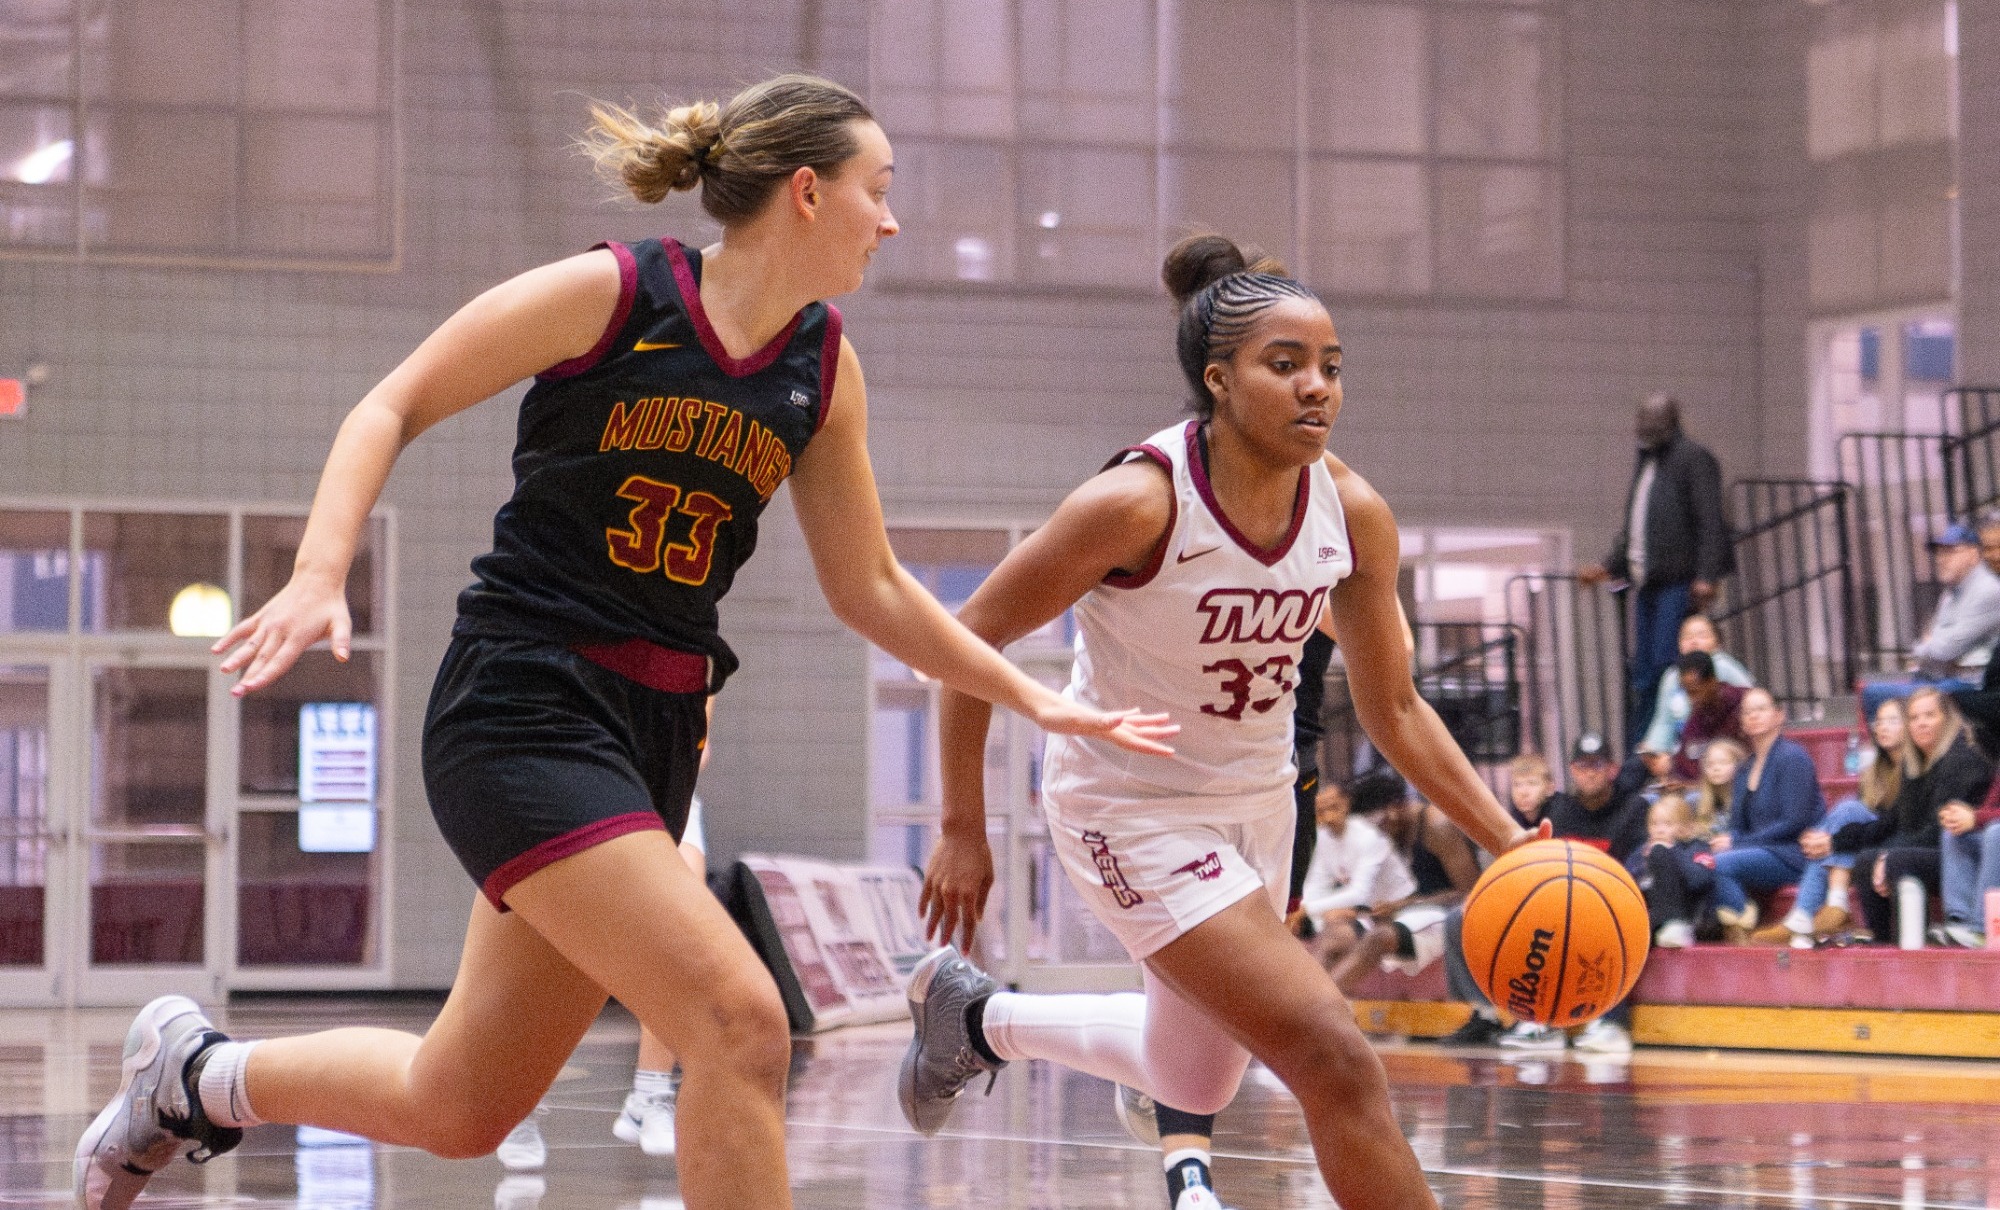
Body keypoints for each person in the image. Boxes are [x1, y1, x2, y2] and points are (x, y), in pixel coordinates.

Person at [72, 75, 1177, 1210]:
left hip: (652, 731)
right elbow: (390, 403)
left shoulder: (823, 367)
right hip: (522, 703)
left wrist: (1031, 697)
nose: (888, 221)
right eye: (876, 192)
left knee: (460, 1103)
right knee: (739, 1020)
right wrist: (317, 573)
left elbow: (876, 588)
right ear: (806, 191)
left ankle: (197, 1078)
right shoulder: (617, 294)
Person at [900, 234, 1540, 1210]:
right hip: (1130, 808)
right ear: (1218, 381)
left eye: (1329, 367)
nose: (1315, 387)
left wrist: (1504, 841)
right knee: (1331, 1054)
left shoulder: (1351, 515)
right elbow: (969, 638)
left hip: (1256, 808)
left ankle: (978, 1020)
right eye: (1283, 366)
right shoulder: (1136, 503)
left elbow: (1395, 706)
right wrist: (960, 825)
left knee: (1195, 1077)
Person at [1578, 393, 1734, 750]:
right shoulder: (1646, 462)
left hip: (1677, 582)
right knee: (1643, 672)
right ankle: (1644, 745)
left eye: (1652, 422)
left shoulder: (1694, 459)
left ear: (1670, 422)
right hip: (1647, 583)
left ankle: (1663, 742)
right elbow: (1636, 527)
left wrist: (1708, 574)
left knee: (1666, 666)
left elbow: (1711, 520)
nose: (1644, 429)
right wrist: (1607, 566)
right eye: (1641, 421)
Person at [1495, 732, 1648, 1054]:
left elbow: (1636, 868)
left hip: (1620, 902)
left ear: (1612, 769)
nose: (1589, 772)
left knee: (1602, 927)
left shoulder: (1634, 808)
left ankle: (1612, 1025)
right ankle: (1538, 1021)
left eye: (1597, 764)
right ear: (1572, 770)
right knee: (1532, 925)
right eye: (1582, 765)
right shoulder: (1559, 810)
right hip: (1568, 903)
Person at [1830, 687, 1992, 945]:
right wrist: (1838, 842)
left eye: (1930, 715)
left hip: (1962, 856)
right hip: (1931, 849)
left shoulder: (1961, 760)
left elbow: (1938, 831)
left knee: (1896, 860)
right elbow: (1896, 822)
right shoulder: (1913, 763)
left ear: (1947, 719)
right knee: (1865, 861)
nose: (1921, 723)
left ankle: (1915, 949)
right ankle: (1883, 944)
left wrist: (1888, 857)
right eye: (1914, 718)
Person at [1315, 771, 1480, 994]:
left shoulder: (1436, 825)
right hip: (1406, 914)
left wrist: (1402, 905)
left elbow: (1471, 893)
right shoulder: (1379, 835)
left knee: (1379, 938)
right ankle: (1306, 1007)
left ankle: (1314, 1008)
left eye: (1377, 825)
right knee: (1336, 933)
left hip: (1448, 915)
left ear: (1394, 809)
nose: (1376, 833)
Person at [1762, 696, 1905, 947]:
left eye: (1893, 721)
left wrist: (1834, 840)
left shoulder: (1912, 770)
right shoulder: (1876, 771)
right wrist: (1829, 837)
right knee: (1839, 819)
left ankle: (1821, 909)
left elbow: (1890, 824)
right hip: (1866, 841)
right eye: (1879, 721)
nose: (1882, 727)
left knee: (1847, 810)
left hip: (1896, 839)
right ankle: (1813, 914)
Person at [1704, 688, 1823, 942]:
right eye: (1747, 711)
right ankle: (1740, 925)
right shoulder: (1745, 768)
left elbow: (1795, 821)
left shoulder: (1793, 758)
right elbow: (1738, 825)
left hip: (1792, 851)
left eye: (1760, 709)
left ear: (1778, 715)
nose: (1753, 716)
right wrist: (1725, 840)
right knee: (1704, 858)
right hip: (1761, 850)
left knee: (1718, 865)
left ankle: (1743, 928)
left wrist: (1737, 844)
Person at [1860, 523, 2000, 723]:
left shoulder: (1988, 590)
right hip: (1941, 676)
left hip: (1971, 683)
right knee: (1872, 692)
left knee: (1881, 696)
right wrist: (1930, 647)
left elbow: (1943, 649)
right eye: (1939, 553)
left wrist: (1929, 646)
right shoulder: (1951, 592)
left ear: (1973, 554)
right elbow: (1935, 646)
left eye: (1950, 552)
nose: (1941, 560)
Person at [1296, 777, 1415, 952]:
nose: (1328, 817)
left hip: (1399, 911)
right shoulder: (1322, 838)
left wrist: (1308, 909)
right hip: (1363, 913)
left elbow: (1360, 893)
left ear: (1346, 804)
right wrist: (1302, 911)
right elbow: (1316, 885)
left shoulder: (1369, 837)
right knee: (1324, 925)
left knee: (1335, 929)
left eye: (1333, 807)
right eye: (1320, 812)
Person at [1635, 614, 1753, 763]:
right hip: (1683, 746)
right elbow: (1664, 721)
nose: (1694, 641)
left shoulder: (1724, 666)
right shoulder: (1671, 676)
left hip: (1723, 747)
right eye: (1687, 637)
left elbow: (1752, 700)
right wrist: (1655, 750)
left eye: (1702, 636)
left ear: (1717, 643)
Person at [1628, 791, 1720, 948]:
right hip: (1652, 914)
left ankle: (1675, 925)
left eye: (1668, 824)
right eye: (1654, 824)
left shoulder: (1697, 847)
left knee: (1659, 852)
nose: (1660, 830)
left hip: (1688, 916)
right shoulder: (1644, 850)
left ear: (1686, 828)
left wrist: (1671, 852)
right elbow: (1627, 880)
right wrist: (1646, 862)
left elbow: (1699, 880)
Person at [1658, 651, 1747, 784]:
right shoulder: (1696, 719)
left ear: (1712, 681)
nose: (1691, 699)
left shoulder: (1743, 704)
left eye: (1695, 691)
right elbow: (1684, 763)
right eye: (1686, 692)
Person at [1690, 738, 1747, 839]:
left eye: (1723, 762)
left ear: (1739, 765)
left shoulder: (1747, 800)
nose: (1716, 768)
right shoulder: (1696, 801)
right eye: (1710, 764)